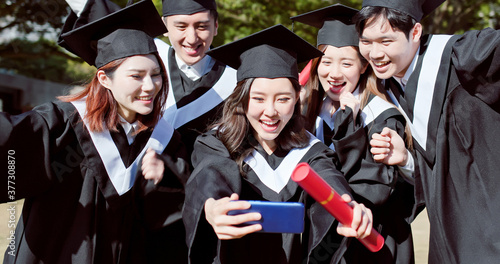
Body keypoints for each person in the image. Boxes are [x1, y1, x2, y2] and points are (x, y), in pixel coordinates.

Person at [0, 1, 190, 263]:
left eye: (156, 74)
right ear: (104, 79)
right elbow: (11, 141)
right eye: (136, 76)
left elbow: (168, 223)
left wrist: (166, 178)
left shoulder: (164, 139)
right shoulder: (63, 123)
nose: (150, 86)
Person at [182, 24, 375, 264]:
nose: (271, 112)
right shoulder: (215, 144)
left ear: (296, 99)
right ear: (242, 100)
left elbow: (329, 181)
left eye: (283, 99)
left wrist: (351, 207)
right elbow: (210, 174)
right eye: (258, 98)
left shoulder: (310, 151)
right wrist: (211, 206)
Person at [354, 0, 500, 262]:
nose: (374, 53)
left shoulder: (464, 56)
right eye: (366, 41)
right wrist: (407, 160)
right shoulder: (393, 87)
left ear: (416, 32)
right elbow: (444, 172)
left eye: (386, 42)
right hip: (446, 242)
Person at [291, 4, 416, 263]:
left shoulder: (382, 117)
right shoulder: (309, 114)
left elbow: (372, 190)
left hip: (371, 241)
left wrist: (348, 124)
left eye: (346, 62)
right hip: (322, 240)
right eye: (326, 61)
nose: (334, 73)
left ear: (363, 66)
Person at [157, 0, 237, 158]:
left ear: (215, 26)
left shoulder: (235, 82)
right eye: (181, 26)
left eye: (201, 26)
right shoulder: (148, 69)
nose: (192, 39)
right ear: (165, 26)